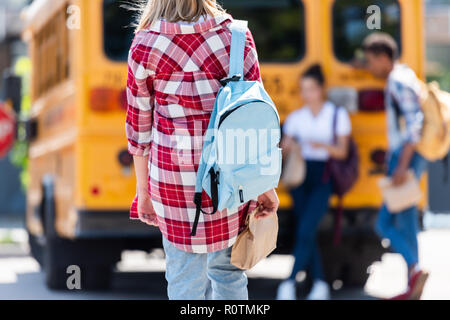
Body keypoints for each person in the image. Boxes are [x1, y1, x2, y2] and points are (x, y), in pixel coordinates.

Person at [124, 0, 279, 300]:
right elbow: (255, 120)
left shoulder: (144, 45)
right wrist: (264, 186)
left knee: (184, 282)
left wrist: (143, 192)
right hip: (230, 178)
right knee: (229, 274)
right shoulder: (236, 36)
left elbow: (139, 129)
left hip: (172, 183)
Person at [362, 32, 429, 300]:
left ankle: (415, 268)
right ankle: (413, 284)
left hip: (405, 156)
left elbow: (415, 125)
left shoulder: (398, 81)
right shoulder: (405, 75)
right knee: (407, 220)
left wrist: (402, 166)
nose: (369, 68)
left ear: (383, 57)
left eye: (370, 61)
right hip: (409, 156)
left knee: (384, 223)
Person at [276, 64, 352, 300]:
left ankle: (289, 283)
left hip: (323, 176)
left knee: (306, 229)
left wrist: (321, 146)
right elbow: (283, 151)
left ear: (321, 89)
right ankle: (319, 285)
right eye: (303, 89)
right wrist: (287, 148)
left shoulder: (336, 115)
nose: (307, 94)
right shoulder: (297, 118)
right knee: (305, 231)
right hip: (299, 177)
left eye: (311, 89)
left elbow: (342, 151)